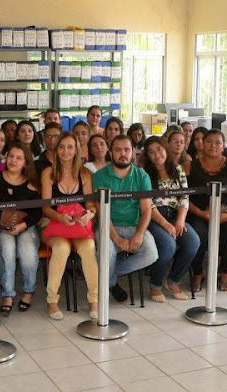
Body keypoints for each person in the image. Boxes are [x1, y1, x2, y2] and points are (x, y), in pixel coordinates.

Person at [93, 135, 159, 302]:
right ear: (110, 153)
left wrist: (138, 235)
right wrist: (116, 239)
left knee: (151, 253)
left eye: (126, 150)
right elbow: (102, 212)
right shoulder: (99, 176)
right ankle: (111, 282)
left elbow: (146, 210)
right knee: (107, 252)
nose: (123, 154)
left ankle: (108, 275)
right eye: (118, 150)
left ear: (133, 153)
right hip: (108, 226)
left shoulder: (142, 176)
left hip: (133, 226)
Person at [41, 132, 98, 320]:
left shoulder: (85, 174)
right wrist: (59, 216)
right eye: (62, 147)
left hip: (78, 226)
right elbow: (45, 208)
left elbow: (90, 204)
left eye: (70, 147)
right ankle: (51, 300)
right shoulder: (48, 173)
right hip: (55, 224)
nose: (66, 151)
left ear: (76, 150)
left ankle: (94, 300)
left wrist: (90, 214)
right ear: (56, 150)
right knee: (61, 248)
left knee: (89, 248)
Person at [186, 129, 227, 291]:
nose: (213, 146)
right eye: (209, 141)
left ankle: (225, 272)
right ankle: (198, 273)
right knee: (197, 235)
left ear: (223, 146)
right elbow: (183, 197)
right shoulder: (191, 166)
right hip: (199, 213)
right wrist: (201, 213)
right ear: (202, 144)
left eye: (217, 143)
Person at [0, 143, 41, 315]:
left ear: (25, 162)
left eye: (19, 158)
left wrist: (23, 225)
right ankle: (8, 294)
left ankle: (28, 291)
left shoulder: (32, 184)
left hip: (26, 226)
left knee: (27, 250)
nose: (13, 161)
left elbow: (38, 212)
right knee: (7, 249)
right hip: (2, 227)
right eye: (11, 156)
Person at [143, 136, 199, 301]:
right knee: (168, 245)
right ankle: (155, 284)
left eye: (159, 149)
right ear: (147, 156)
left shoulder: (178, 169)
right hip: (155, 217)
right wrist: (166, 224)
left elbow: (184, 197)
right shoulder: (144, 174)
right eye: (151, 152)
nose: (156, 155)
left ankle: (174, 280)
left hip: (176, 214)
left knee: (193, 242)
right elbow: (148, 204)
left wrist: (180, 221)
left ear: (165, 149)